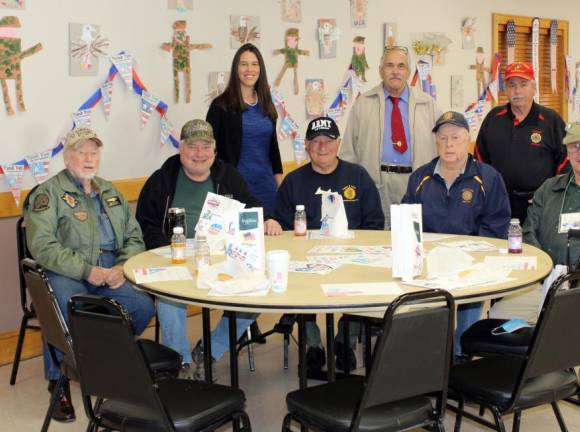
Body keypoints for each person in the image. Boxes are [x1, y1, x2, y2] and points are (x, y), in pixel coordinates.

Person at [489, 121, 580, 408]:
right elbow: (529, 232)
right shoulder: (549, 189)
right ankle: (543, 365)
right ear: (567, 151)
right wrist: (547, 272)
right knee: (499, 315)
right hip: (548, 281)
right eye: (574, 145)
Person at [25, 127, 154, 422]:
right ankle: (58, 382)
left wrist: (123, 266)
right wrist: (87, 270)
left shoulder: (110, 191)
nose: (88, 158)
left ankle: (103, 366)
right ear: (67, 156)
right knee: (63, 309)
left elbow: (134, 236)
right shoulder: (48, 194)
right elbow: (42, 246)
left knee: (142, 305)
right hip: (68, 269)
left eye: (93, 152)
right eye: (81, 152)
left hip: (112, 270)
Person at [136, 119, 282, 379]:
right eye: (193, 147)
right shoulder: (162, 179)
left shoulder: (228, 177)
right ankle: (178, 360)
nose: (199, 154)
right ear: (181, 149)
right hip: (176, 258)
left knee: (258, 293)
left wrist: (268, 218)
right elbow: (146, 224)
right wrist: (165, 252)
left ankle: (210, 351)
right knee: (169, 296)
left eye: (206, 147)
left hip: (221, 258)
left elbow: (251, 205)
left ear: (214, 151)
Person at [274, 116, 384, 373]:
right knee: (297, 287)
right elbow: (279, 223)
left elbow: (375, 223)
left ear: (338, 144)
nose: (322, 147)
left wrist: (359, 252)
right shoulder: (293, 181)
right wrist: (272, 224)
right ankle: (313, 344)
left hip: (352, 257)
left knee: (363, 282)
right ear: (307, 145)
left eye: (328, 141)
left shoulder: (358, 176)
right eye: (316, 141)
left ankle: (344, 340)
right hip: (305, 260)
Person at [402, 111, 511, 356]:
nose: (449, 144)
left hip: (471, 266)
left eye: (455, 138)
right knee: (426, 326)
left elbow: (496, 225)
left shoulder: (489, 178)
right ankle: (429, 362)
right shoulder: (420, 177)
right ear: (436, 142)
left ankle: (460, 359)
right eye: (443, 139)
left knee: (466, 327)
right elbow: (407, 223)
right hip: (428, 266)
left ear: (467, 140)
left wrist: (468, 258)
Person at [339, 45, 439, 226]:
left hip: (415, 182)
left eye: (401, 66)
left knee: (413, 237)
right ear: (380, 71)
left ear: (408, 71)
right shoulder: (363, 104)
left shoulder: (428, 104)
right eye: (389, 65)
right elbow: (348, 152)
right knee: (377, 240)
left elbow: (442, 147)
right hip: (376, 184)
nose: (395, 71)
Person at [475, 61, 568, 223]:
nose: (517, 90)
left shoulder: (551, 120)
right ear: (505, 89)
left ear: (534, 88)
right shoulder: (493, 119)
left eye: (523, 84)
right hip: (499, 203)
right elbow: (480, 160)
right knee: (501, 247)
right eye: (512, 85)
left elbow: (565, 162)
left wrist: (552, 195)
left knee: (536, 248)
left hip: (539, 205)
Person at [206, 43, 282, 216]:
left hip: (267, 189)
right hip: (234, 192)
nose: (250, 69)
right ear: (236, 68)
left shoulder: (267, 105)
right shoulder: (221, 106)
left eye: (255, 64)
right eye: (244, 64)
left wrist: (282, 190)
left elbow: (274, 152)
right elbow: (209, 153)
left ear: (260, 68)